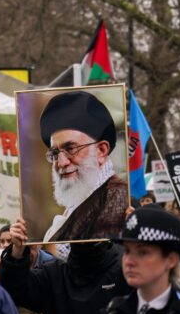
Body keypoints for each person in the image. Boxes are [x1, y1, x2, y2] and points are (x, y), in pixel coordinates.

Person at [39, 90, 129, 242]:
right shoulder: (83, 198)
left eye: (70, 149)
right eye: (55, 153)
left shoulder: (117, 199)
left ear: (101, 150)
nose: (61, 162)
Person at [0, 217, 132, 314]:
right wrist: (17, 250)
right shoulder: (54, 275)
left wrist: (135, 238)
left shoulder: (126, 270)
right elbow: (14, 290)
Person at [103, 206, 180, 314]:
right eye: (127, 250)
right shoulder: (114, 311)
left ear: (171, 260)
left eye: (143, 252)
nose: (129, 261)